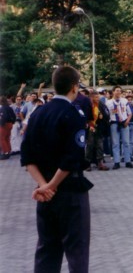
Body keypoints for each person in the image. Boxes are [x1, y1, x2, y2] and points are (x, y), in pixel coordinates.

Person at [20, 66, 93, 273]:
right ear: (74, 87)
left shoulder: (38, 114)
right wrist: (53, 185)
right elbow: (72, 158)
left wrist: (45, 186)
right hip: (70, 190)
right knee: (76, 250)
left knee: (47, 249)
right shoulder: (74, 113)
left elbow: (27, 158)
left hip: (44, 193)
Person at [106, 86, 133, 170]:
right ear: (113, 92)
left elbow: (130, 113)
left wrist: (127, 121)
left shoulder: (124, 101)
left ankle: (127, 161)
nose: (118, 92)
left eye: (120, 91)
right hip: (114, 123)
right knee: (115, 143)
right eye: (117, 91)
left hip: (124, 123)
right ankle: (116, 162)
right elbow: (107, 114)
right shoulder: (108, 102)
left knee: (126, 142)